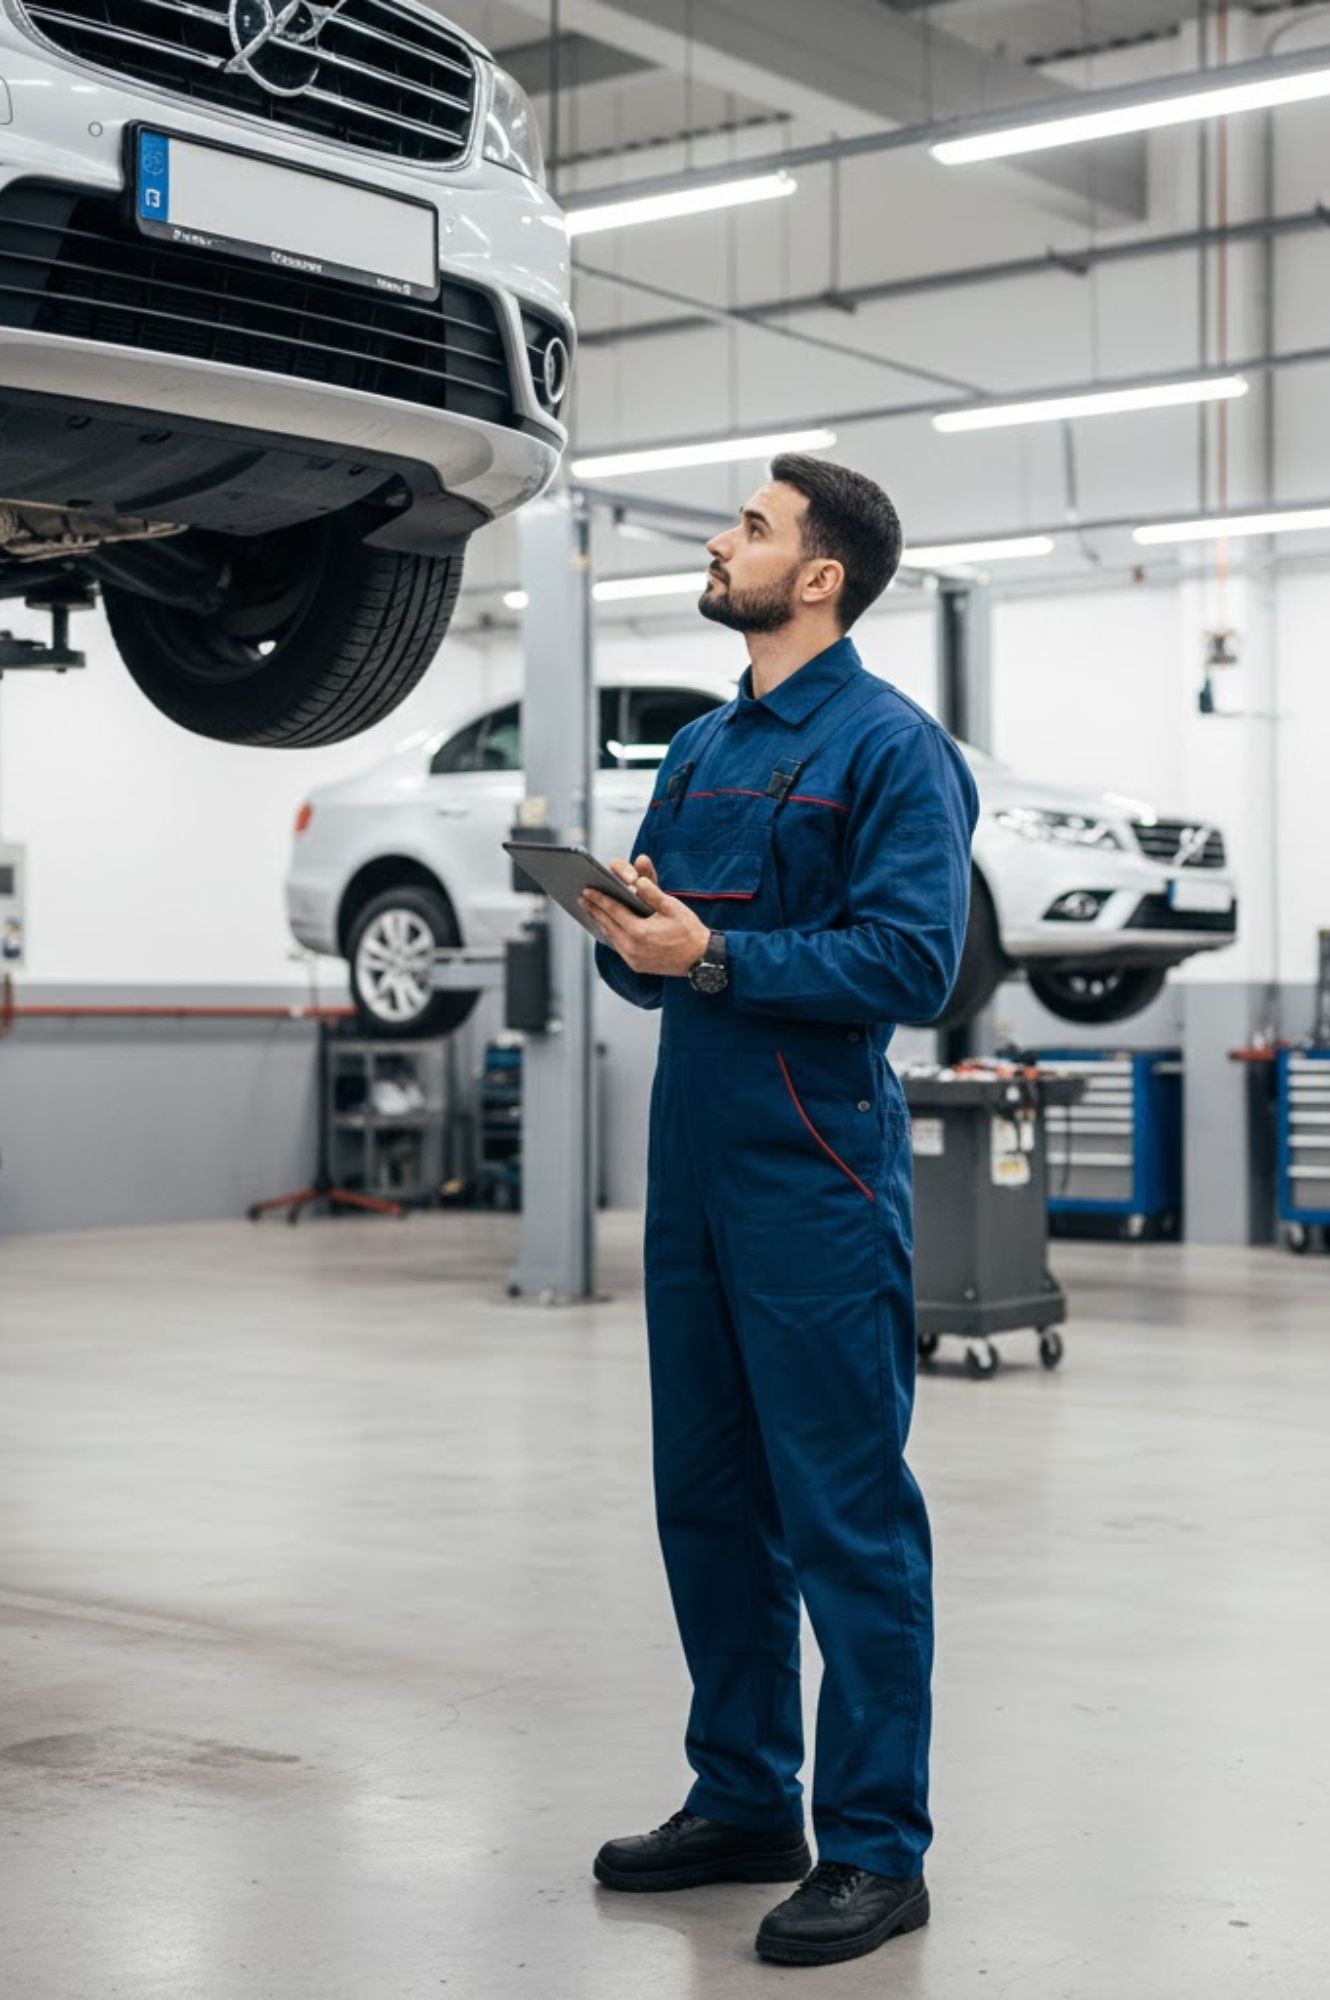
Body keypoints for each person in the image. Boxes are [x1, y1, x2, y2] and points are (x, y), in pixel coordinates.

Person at [580, 454, 978, 1970]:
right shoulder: (698, 748)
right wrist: (630, 931)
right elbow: (663, 961)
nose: (719, 540)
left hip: (817, 1167)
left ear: (818, 577)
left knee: (844, 1513)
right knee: (704, 1495)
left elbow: (911, 964)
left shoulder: (892, 748)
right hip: (692, 1158)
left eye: (749, 527)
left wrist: (713, 958)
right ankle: (744, 1799)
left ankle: (876, 1848)